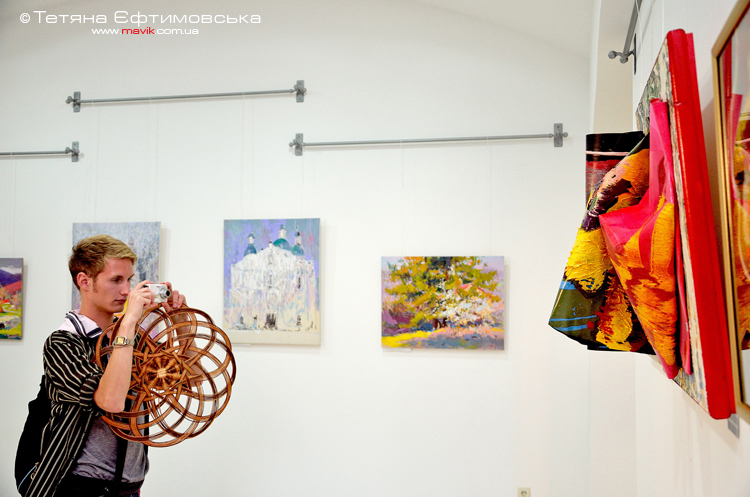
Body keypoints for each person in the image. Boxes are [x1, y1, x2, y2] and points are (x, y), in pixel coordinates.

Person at [24, 234, 186, 497]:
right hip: (78, 488)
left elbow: (186, 380)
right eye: (116, 280)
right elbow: (110, 401)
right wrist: (129, 322)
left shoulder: (133, 339)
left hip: (129, 487)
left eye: (129, 280)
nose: (126, 290)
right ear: (84, 281)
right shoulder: (62, 343)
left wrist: (181, 321)